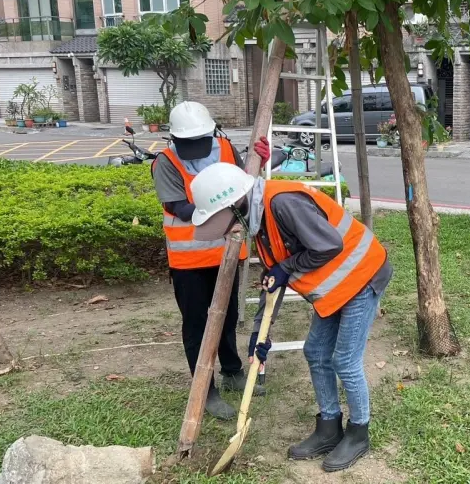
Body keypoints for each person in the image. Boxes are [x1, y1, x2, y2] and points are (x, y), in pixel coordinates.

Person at [189, 162, 392, 472]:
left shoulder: (282, 203)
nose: (226, 229)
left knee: (345, 361)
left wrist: (287, 267)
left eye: (222, 220)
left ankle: (358, 433)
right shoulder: (258, 221)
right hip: (338, 287)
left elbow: (328, 245)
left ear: (235, 204)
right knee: (315, 352)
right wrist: (260, 336)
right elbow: (274, 281)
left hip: (363, 277)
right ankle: (329, 426)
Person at [151, 101, 270, 420]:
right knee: (197, 325)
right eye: (186, 142)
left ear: (211, 132)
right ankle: (206, 388)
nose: (193, 147)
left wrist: (260, 161)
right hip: (188, 262)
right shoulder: (166, 161)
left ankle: (232, 370)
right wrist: (221, 213)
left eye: (199, 140)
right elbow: (178, 207)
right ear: (174, 139)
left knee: (229, 317)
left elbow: (245, 186)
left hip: (227, 253)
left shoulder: (226, 148)